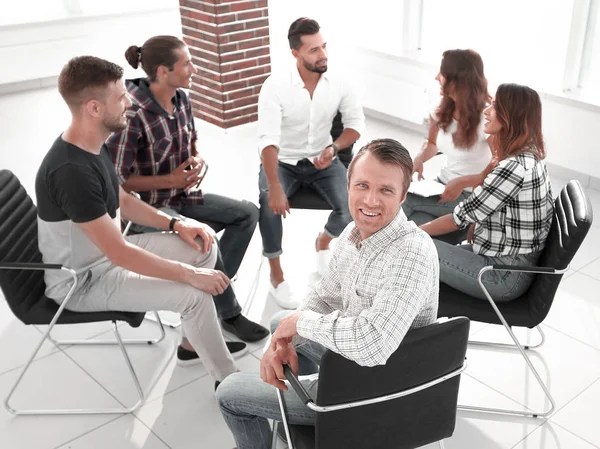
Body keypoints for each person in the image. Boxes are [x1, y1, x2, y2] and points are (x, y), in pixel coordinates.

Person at [216, 138, 439, 449]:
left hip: (380, 390)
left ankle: (309, 409)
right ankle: (298, 404)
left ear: (403, 196)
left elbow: (373, 344)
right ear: (347, 185)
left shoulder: (410, 253)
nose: (371, 200)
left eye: (386, 190)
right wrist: (280, 341)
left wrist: (299, 325)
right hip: (359, 366)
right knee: (283, 321)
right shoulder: (352, 232)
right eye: (362, 185)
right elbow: (325, 296)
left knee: (229, 392)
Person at [36, 55, 239, 387]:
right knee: (194, 294)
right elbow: (120, 254)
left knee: (203, 243)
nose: (129, 103)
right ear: (94, 108)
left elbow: (124, 201)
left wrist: (177, 225)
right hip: (82, 281)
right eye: (120, 98)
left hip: (105, 257)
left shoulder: (92, 142)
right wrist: (191, 276)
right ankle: (231, 385)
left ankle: (191, 344)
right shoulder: (70, 172)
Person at [104, 35, 269, 355]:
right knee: (205, 240)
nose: (195, 69)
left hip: (181, 197)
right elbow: (118, 183)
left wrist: (198, 161)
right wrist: (169, 178)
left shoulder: (181, 99)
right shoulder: (132, 112)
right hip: (146, 211)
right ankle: (228, 311)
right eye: (188, 63)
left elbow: (191, 143)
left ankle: (210, 290)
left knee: (247, 213)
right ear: (164, 71)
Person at [257, 18, 365, 309]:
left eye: (324, 46)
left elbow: (355, 125)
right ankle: (277, 276)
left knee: (354, 207)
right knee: (267, 204)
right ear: (296, 54)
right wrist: (275, 186)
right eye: (314, 50)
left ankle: (324, 242)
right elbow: (267, 141)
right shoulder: (275, 86)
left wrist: (334, 147)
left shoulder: (340, 82)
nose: (323, 55)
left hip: (322, 160)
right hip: (283, 161)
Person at [420, 83, 554, 302]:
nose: (486, 111)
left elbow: (458, 219)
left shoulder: (512, 168)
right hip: (508, 263)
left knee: (416, 248)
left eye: (494, 107)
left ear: (510, 117)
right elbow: (483, 208)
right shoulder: (529, 157)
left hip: (502, 276)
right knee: (421, 245)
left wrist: (413, 232)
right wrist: (477, 222)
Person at [403, 49, 494, 243]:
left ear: (458, 80)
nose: (437, 77)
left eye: (442, 73)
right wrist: (419, 158)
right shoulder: (440, 107)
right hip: (441, 186)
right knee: (413, 230)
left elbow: (501, 165)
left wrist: (466, 181)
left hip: (470, 197)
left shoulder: (488, 117)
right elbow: (432, 144)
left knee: (403, 200)